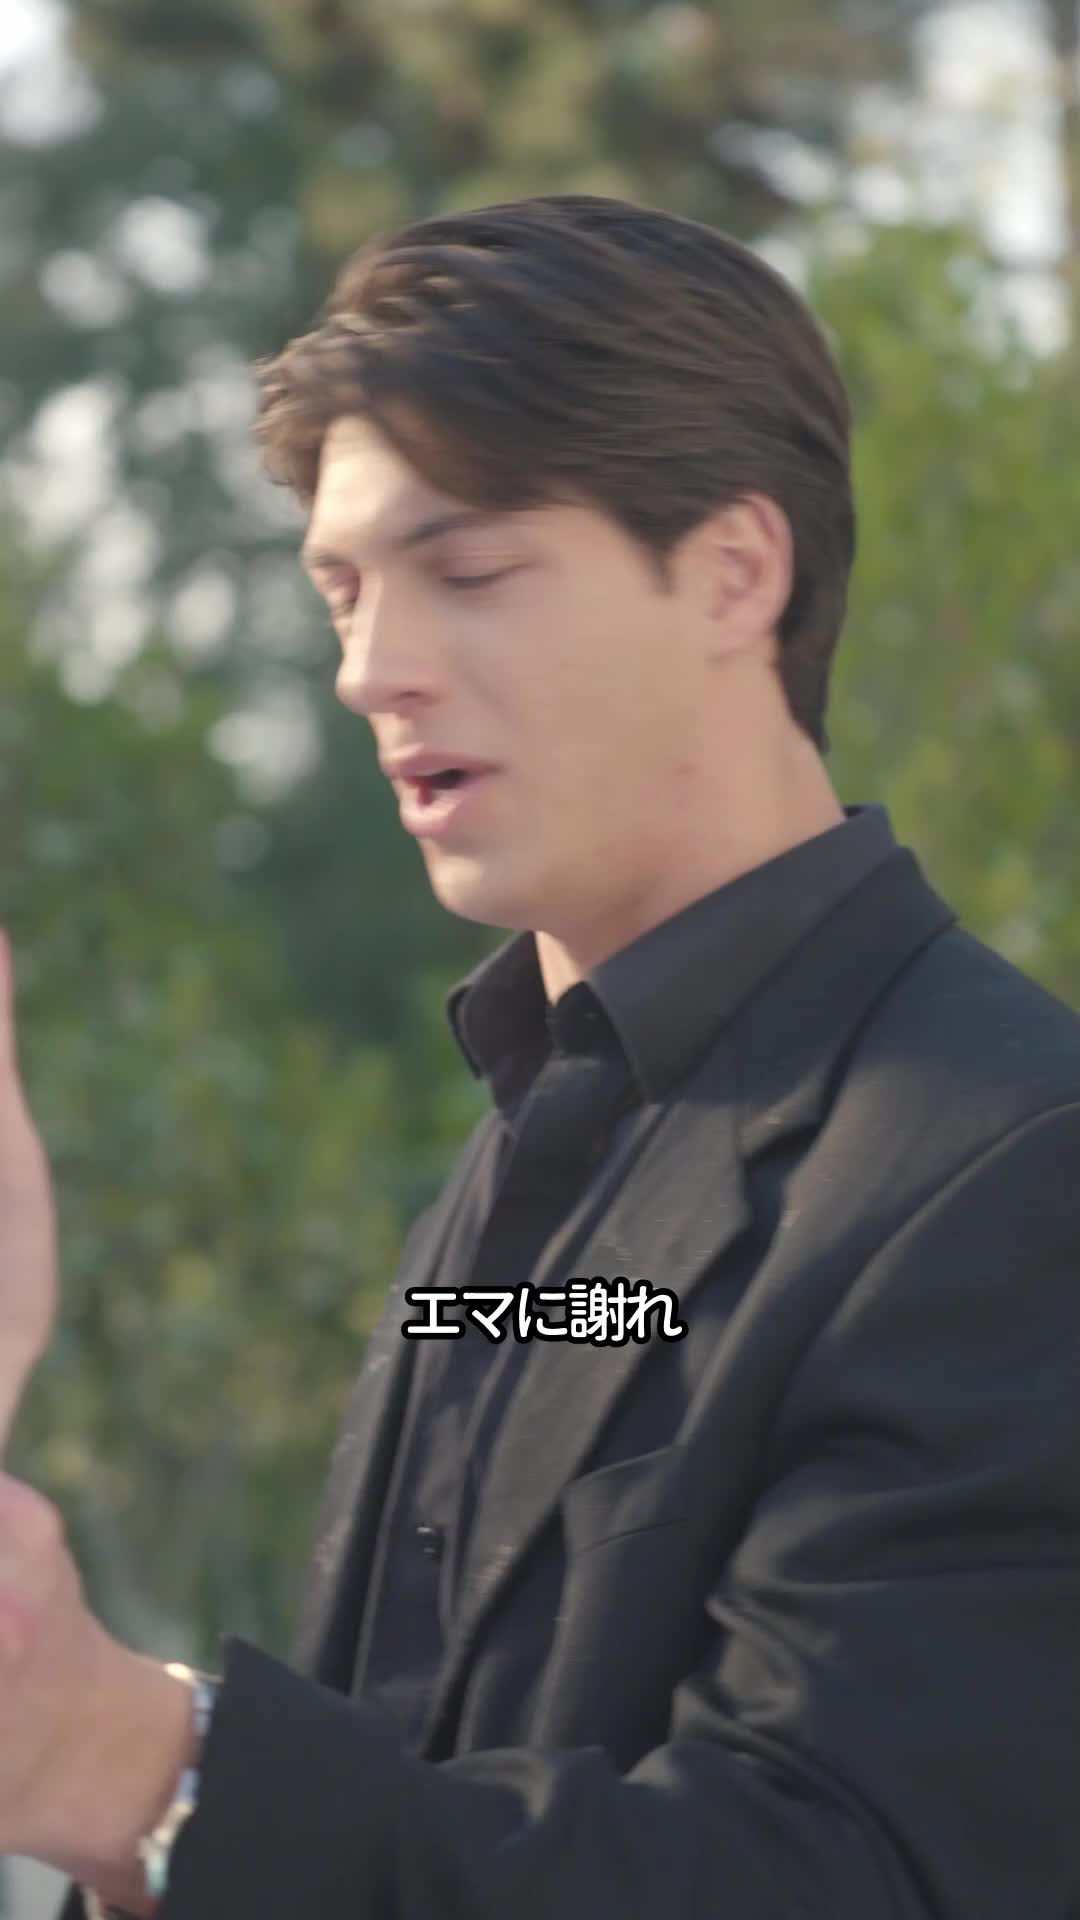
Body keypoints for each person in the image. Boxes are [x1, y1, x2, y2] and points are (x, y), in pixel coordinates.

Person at [0, 193, 1077, 1920]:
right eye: (342, 592)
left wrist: (133, 1763)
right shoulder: (531, 1139)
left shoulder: (1013, 1165)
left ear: (734, 572)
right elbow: (414, 1775)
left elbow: (856, 1874)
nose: (369, 671)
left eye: (471, 572)